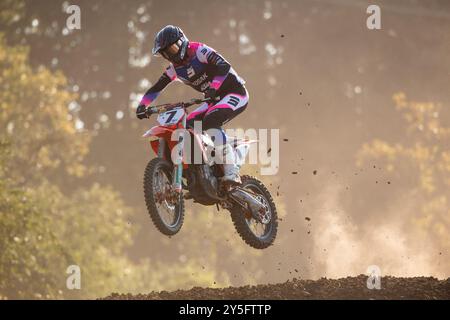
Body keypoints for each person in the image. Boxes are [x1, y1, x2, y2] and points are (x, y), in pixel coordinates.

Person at [136, 25, 249, 184]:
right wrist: (142, 105)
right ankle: (208, 166)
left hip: (234, 92)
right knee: (188, 128)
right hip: (212, 100)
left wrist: (213, 87)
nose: (170, 55)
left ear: (182, 41)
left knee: (211, 121)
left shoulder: (199, 51)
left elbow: (224, 66)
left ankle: (232, 170)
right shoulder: (174, 69)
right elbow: (157, 87)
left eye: (172, 49)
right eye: (166, 53)